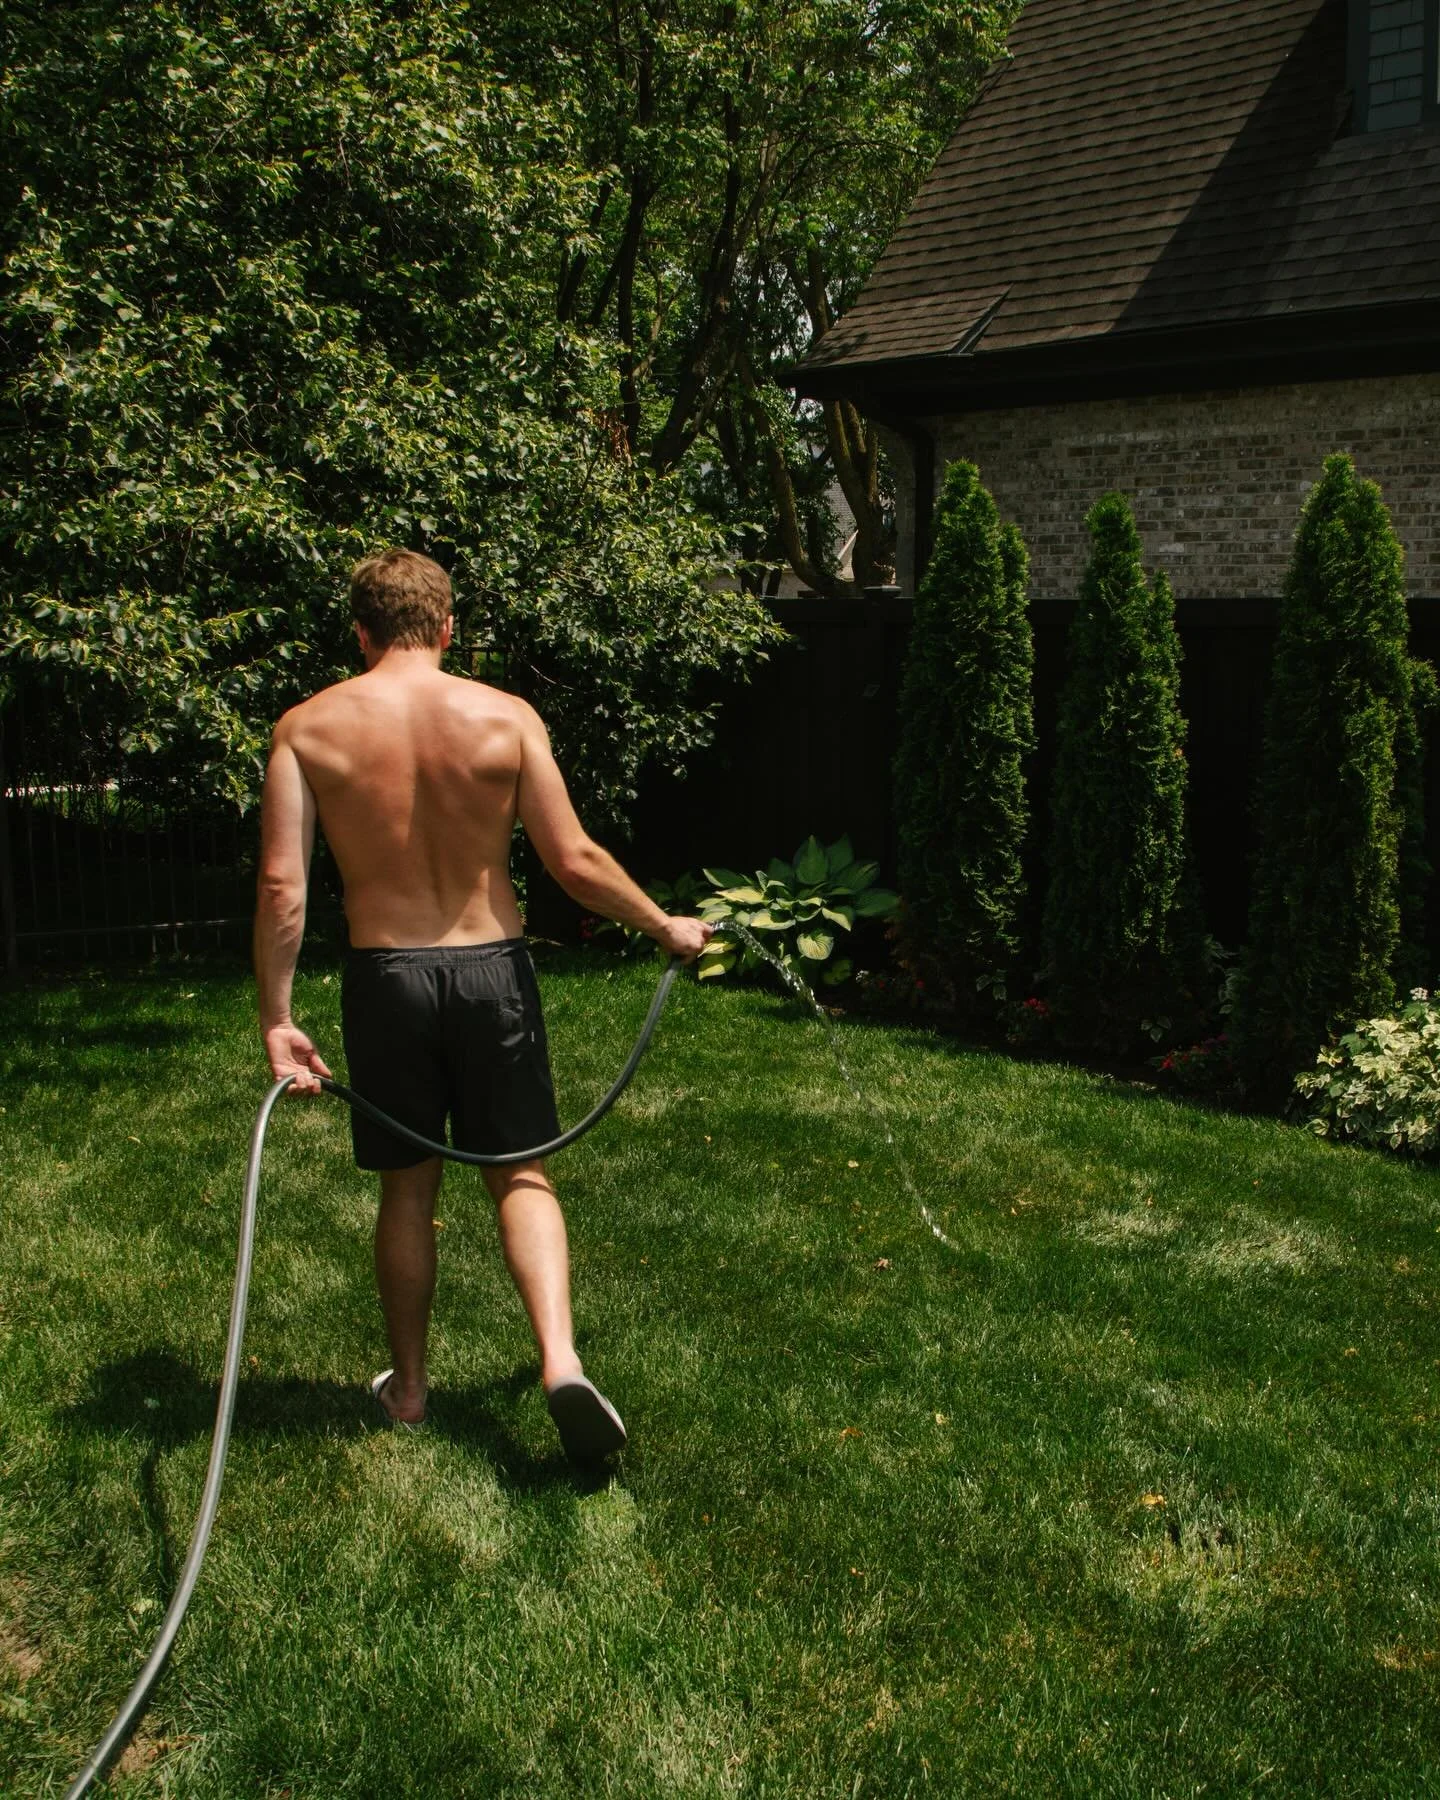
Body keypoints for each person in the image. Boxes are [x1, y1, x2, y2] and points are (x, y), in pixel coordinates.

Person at [252, 548, 712, 1460]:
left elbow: (281, 888)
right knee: (522, 1171)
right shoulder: (504, 717)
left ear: (362, 631)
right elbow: (573, 861)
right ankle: (560, 1362)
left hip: (387, 981)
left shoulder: (308, 728)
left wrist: (277, 1013)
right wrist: (665, 926)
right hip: (491, 970)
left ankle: (412, 1390)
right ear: (448, 626)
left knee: (409, 1187)